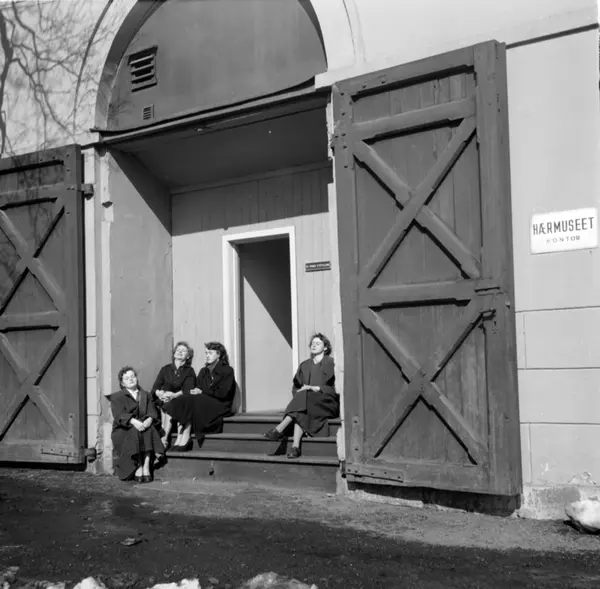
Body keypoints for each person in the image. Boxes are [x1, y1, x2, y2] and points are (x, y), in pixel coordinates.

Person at [263, 333, 339, 458]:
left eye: (318, 343)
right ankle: (295, 447)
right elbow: (296, 387)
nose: (314, 345)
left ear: (325, 347)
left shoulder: (332, 363)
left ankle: (279, 429)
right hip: (306, 403)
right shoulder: (304, 365)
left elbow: (338, 387)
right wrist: (302, 392)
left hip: (327, 402)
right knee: (302, 407)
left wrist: (317, 388)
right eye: (312, 343)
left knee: (303, 400)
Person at [162, 341, 236, 452]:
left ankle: (185, 436)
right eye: (206, 353)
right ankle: (180, 436)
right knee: (185, 398)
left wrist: (202, 391)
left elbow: (223, 393)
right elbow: (199, 388)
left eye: (210, 353)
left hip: (220, 405)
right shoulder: (203, 371)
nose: (207, 355)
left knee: (192, 399)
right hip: (203, 403)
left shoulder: (227, 370)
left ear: (219, 355)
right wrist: (197, 390)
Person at [110, 366, 165, 482]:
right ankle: (139, 466)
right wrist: (134, 421)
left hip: (144, 425)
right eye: (127, 378)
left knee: (149, 429)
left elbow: (152, 411)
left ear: (136, 378)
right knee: (136, 431)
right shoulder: (117, 397)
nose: (131, 379)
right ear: (122, 383)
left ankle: (146, 466)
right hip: (124, 428)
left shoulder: (146, 395)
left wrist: (149, 419)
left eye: (132, 376)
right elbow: (119, 415)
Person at [151, 341, 196, 448]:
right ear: (174, 353)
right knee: (166, 403)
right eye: (178, 350)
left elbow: (188, 389)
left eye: (183, 351)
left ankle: (164, 438)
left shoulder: (189, 371)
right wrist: (160, 393)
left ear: (188, 356)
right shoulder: (165, 369)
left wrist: (173, 395)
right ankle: (164, 439)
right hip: (164, 399)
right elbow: (155, 388)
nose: (179, 352)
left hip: (178, 400)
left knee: (170, 404)